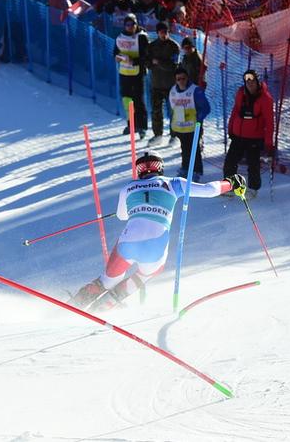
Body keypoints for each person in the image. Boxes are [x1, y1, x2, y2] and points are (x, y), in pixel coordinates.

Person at [72, 151, 245, 310]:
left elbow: (121, 216)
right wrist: (230, 183)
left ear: (139, 170)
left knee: (108, 280)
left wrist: (138, 208)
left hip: (128, 243)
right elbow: (209, 190)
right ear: (160, 168)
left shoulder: (128, 188)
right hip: (155, 247)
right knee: (144, 275)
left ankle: (74, 305)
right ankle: (104, 306)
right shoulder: (174, 183)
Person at [224, 69, 274, 197]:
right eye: (247, 82)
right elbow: (235, 112)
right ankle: (229, 186)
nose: (250, 84)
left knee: (253, 164)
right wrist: (231, 129)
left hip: (255, 137)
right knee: (230, 161)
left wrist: (269, 143)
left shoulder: (265, 98)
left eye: (252, 81)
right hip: (238, 135)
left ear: (257, 82)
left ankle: (253, 188)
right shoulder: (241, 94)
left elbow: (269, 122)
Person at [169, 68, 211, 181]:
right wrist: (171, 127)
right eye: (179, 79)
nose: (181, 81)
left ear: (187, 78)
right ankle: (185, 168)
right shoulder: (173, 91)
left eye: (183, 78)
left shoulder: (195, 91)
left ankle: (196, 171)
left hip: (193, 126)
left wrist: (199, 118)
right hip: (180, 126)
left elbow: (206, 108)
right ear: (175, 80)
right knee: (184, 148)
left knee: (194, 149)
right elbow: (172, 110)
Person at [143, 21, 180, 143]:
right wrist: (152, 64)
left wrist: (158, 62)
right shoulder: (152, 46)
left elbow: (173, 66)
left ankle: (174, 135)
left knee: (173, 111)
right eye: (161, 32)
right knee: (156, 110)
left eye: (166, 32)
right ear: (157, 33)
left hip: (171, 85)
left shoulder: (174, 47)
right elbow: (147, 62)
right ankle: (158, 134)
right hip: (156, 84)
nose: (164, 34)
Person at [115, 13, 149, 135]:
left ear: (136, 24)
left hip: (137, 73)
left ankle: (142, 126)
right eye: (127, 25)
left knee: (138, 99)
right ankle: (131, 124)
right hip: (124, 72)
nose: (130, 27)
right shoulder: (120, 37)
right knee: (126, 99)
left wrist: (133, 61)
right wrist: (118, 57)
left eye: (132, 24)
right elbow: (115, 52)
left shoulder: (141, 37)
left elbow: (146, 56)